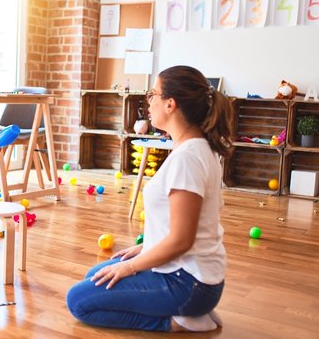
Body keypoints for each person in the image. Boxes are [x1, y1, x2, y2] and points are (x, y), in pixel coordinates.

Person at [66, 65, 234, 332]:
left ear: (170, 104)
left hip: (188, 283)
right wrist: (145, 248)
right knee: (94, 278)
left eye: (153, 94)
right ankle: (192, 310)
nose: (149, 101)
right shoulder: (194, 148)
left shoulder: (188, 159)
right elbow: (184, 227)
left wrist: (132, 267)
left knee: (79, 302)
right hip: (193, 277)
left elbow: (182, 240)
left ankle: (179, 321)